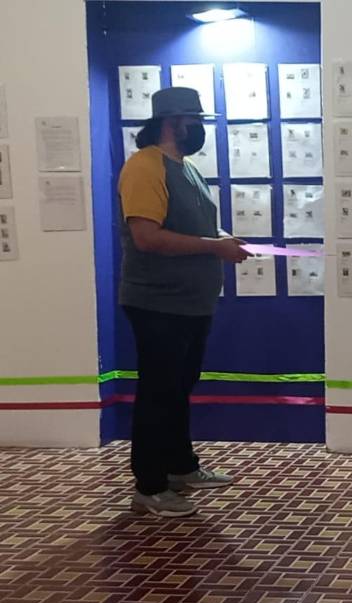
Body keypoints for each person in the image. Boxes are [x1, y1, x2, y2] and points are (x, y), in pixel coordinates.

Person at [119, 87, 248, 517]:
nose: (200, 129)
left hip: (191, 303)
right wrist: (215, 247)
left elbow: (198, 227)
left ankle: (180, 466)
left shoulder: (186, 168)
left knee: (178, 389)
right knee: (158, 393)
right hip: (158, 303)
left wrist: (224, 240)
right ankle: (150, 486)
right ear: (172, 123)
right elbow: (146, 237)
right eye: (196, 121)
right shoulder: (144, 166)